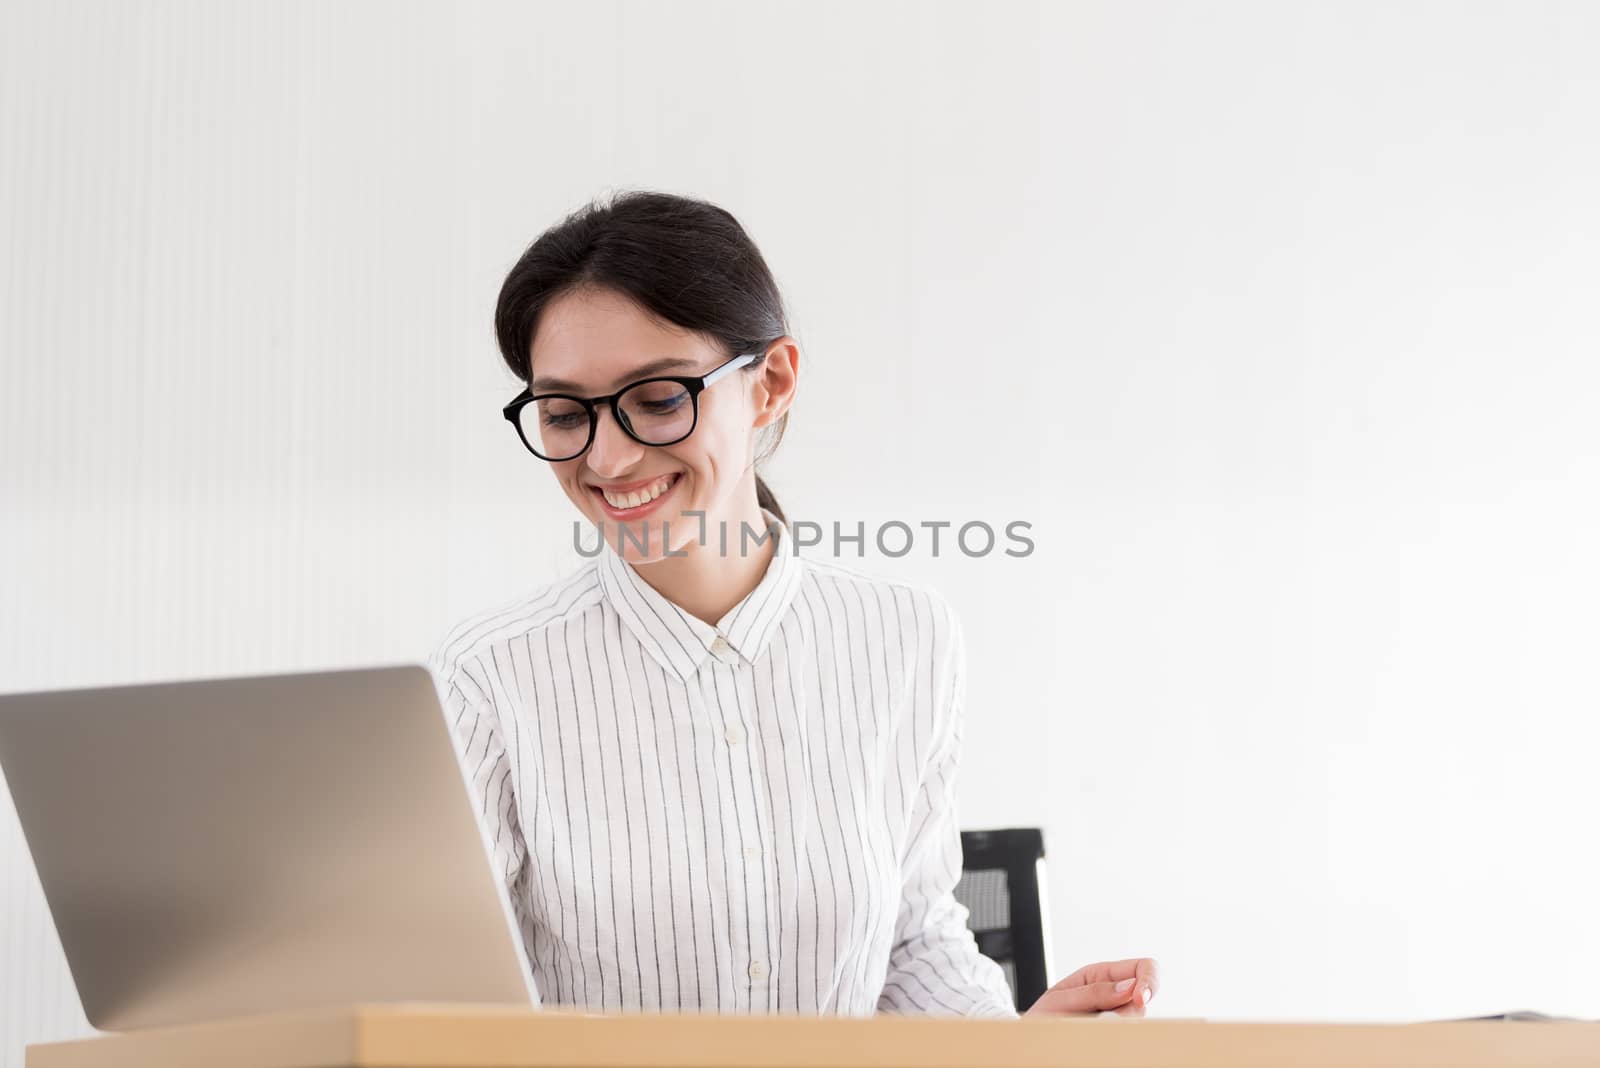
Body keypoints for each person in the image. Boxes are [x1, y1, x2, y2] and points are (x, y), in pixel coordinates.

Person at [429, 190, 1158, 1018]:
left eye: (658, 400)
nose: (609, 455)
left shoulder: (905, 639)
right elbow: (445, 998)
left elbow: (912, 940)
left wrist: (1013, 1047)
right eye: (564, 414)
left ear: (769, 384)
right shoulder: (488, 677)